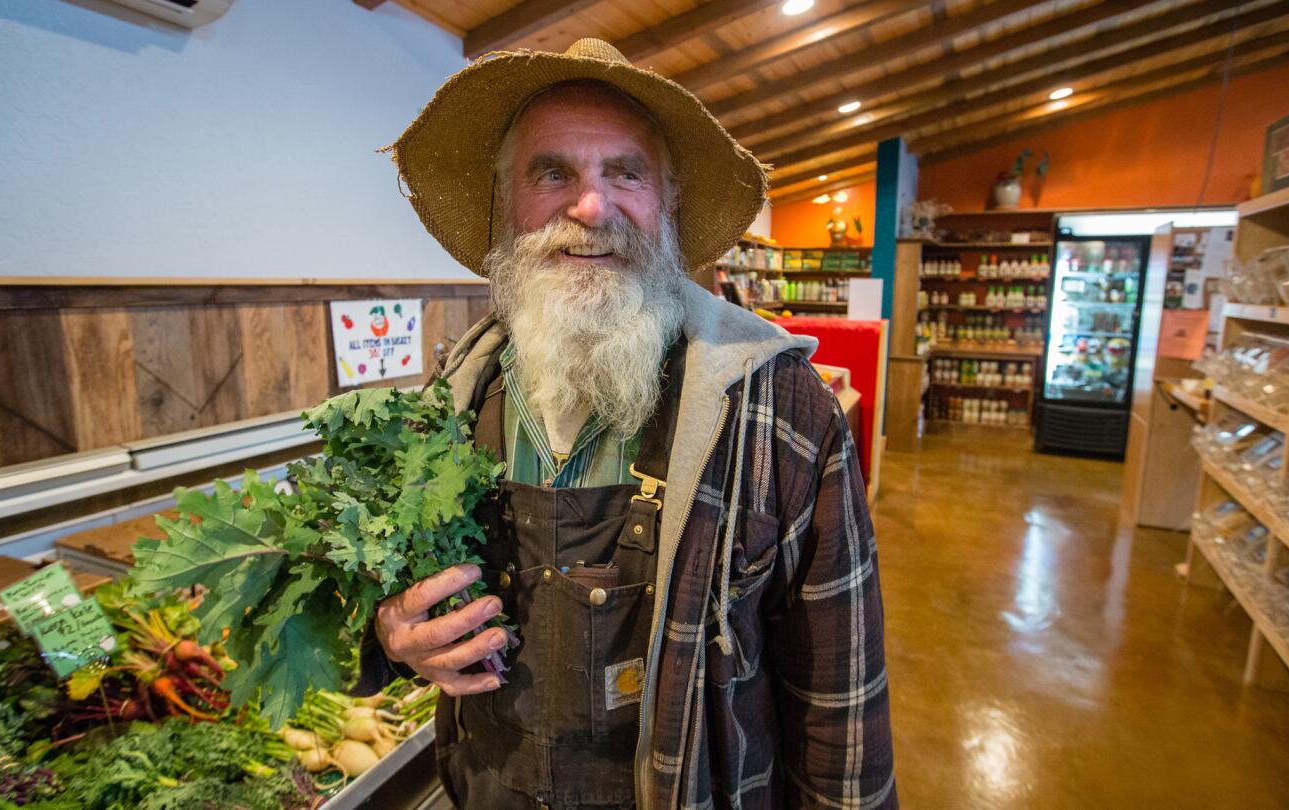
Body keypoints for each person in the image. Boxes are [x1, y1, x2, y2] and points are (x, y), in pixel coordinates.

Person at [360, 38, 895, 809]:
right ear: (506, 200)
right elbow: (378, 607)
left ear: (668, 202)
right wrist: (390, 632)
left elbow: (841, 709)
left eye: (625, 173)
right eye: (552, 172)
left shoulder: (781, 412)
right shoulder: (450, 401)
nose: (589, 207)